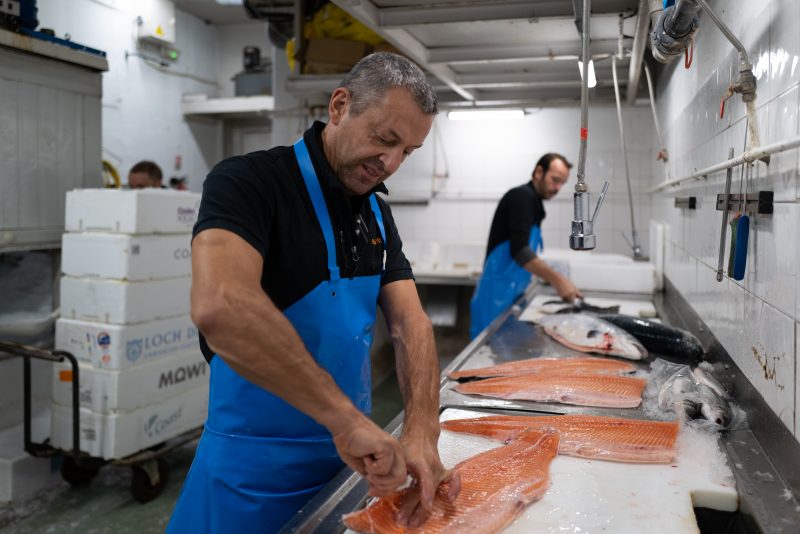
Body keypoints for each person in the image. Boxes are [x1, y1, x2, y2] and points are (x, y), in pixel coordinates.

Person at [167, 52, 460, 534]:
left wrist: (422, 430)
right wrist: (346, 420)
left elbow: (411, 323)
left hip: (346, 471)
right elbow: (222, 306)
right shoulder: (249, 183)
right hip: (247, 480)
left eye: (407, 152)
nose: (390, 163)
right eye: (385, 139)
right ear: (340, 105)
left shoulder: (377, 217)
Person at [469, 153, 583, 339]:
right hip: (494, 297)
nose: (557, 188)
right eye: (555, 180)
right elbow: (520, 251)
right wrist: (558, 280)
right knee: (484, 354)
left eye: (562, 183)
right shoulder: (522, 197)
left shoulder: (534, 203)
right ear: (539, 172)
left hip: (510, 295)